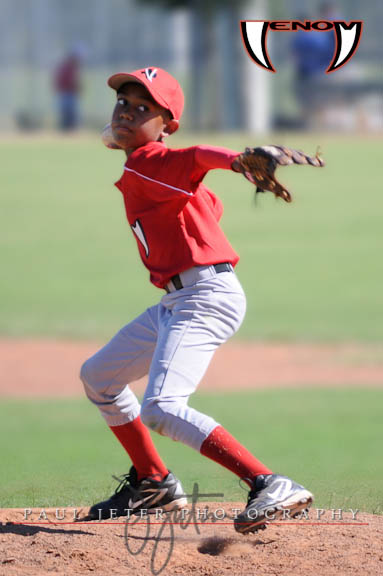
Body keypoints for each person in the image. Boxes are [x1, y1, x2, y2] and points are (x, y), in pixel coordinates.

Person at [80, 66, 313, 534]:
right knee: (99, 377)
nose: (126, 112)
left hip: (203, 296)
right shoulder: (152, 171)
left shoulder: (151, 160)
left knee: (161, 407)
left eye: (143, 108)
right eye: (123, 103)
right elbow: (200, 193)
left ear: (166, 124)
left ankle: (269, 482)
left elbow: (195, 157)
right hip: (179, 300)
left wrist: (239, 159)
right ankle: (153, 482)